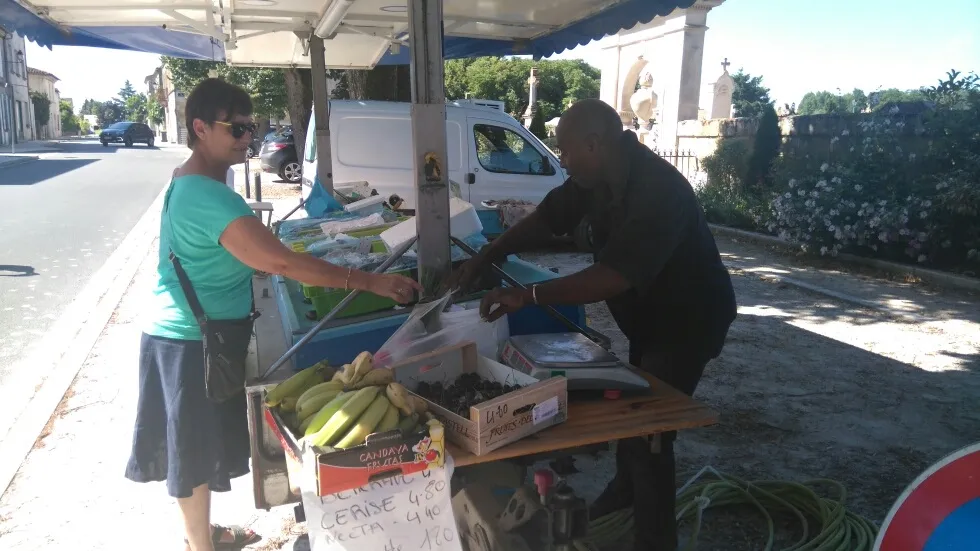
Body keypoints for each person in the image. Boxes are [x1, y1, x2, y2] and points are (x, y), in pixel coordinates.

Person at [125, 78, 421, 551]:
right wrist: (372, 282)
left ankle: (201, 534)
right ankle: (200, 545)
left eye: (250, 128)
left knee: (196, 449)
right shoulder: (208, 194)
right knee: (190, 454)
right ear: (200, 127)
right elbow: (281, 262)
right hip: (186, 341)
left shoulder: (188, 180)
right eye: (236, 129)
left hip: (189, 334)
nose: (248, 139)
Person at [449, 98, 737, 551]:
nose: (560, 160)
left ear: (594, 143)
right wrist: (488, 254)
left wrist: (528, 296)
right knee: (633, 419)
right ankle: (621, 498)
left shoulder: (660, 190)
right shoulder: (593, 177)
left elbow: (612, 276)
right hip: (648, 317)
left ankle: (655, 541)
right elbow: (545, 219)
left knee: (651, 434)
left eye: (564, 150)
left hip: (688, 321)